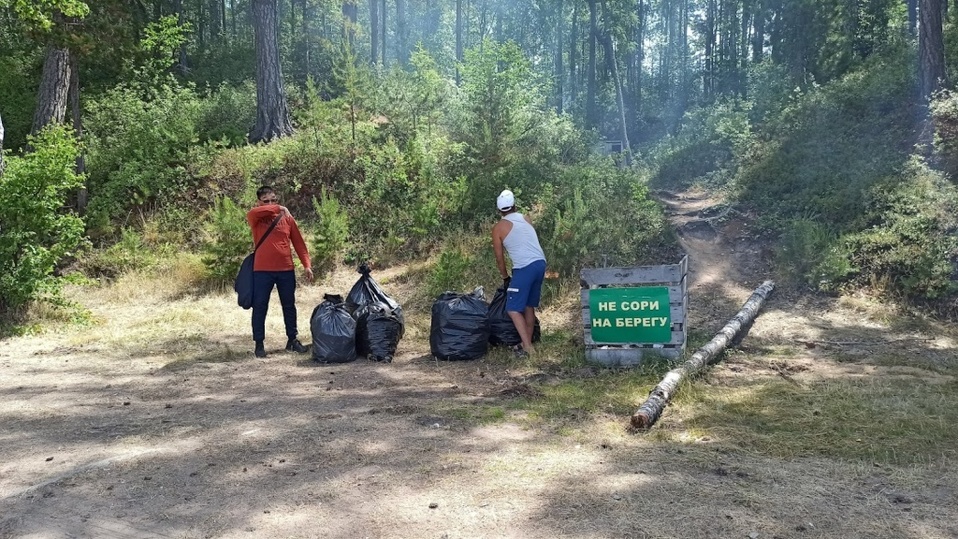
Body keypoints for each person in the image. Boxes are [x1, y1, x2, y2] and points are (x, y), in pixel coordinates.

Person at [247, 186, 314, 358]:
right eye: (266, 201)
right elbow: (255, 212)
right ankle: (259, 343)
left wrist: (306, 264)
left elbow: (298, 242)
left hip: (285, 269)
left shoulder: (287, 218)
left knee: (289, 305)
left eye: (274, 200)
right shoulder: (255, 216)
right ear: (258, 202)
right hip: (262, 270)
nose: (270, 204)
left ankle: (292, 340)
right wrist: (280, 208)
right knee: (260, 306)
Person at [491, 189, 546, 357]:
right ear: (514, 206)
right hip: (540, 263)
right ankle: (525, 343)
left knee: (513, 308)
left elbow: (499, 258)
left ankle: (529, 348)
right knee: (529, 306)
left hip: (525, 267)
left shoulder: (499, 228)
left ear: (500, 210)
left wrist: (505, 277)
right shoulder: (525, 218)